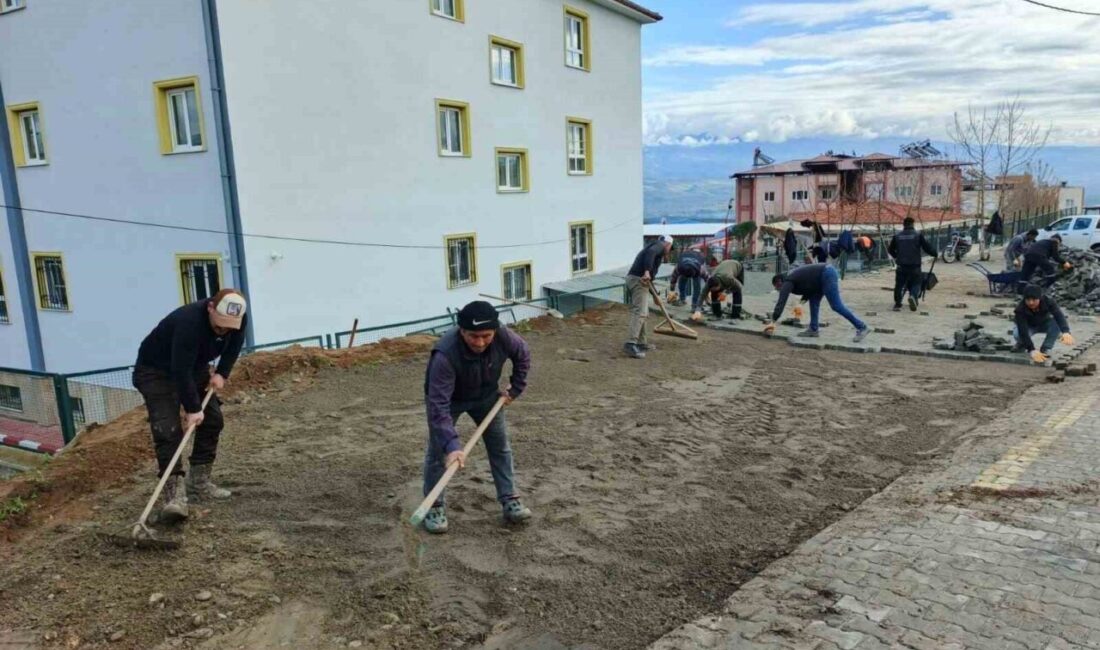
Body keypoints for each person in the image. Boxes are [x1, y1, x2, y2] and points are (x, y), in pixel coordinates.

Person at [132, 288, 248, 523]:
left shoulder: (238, 317)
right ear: (210, 308)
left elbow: (234, 345)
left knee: (213, 419)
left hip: (193, 367)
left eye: (229, 325)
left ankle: (199, 483)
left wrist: (222, 373)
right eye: (219, 325)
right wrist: (193, 409)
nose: (223, 330)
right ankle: (174, 497)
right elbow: (179, 370)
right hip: (155, 371)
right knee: (168, 430)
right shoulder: (189, 322)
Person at [422, 301, 532, 534]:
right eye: (473, 336)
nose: (480, 342)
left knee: (500, 446)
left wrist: (516, 388)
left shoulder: (504, 337)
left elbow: (522, 354)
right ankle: (434, 505)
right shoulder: (445, 354)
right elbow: (438, 406)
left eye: (486, 336)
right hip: (450, 400)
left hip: (487, 397)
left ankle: (509, 497)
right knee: (438, 452)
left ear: (495, 330)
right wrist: (452, 446)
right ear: (462, 331)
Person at [765, 263, 870, 342]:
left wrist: (773, 321)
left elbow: (781, 301)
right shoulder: (792, 279)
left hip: (826, 274)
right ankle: (813, 329)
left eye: (777, 287)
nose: (778, 289)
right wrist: (800, 304)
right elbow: (808, 290)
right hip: (818, 280)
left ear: (779, 282)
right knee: (814, 302)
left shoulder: (787, 281)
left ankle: (862, 327)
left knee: (836, 305)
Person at [624, 235, 673, 359]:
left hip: (639, 280)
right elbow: (651, 254)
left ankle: (641, 343)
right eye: (670, 248)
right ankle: (631, 343)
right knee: (640, 312)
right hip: (639, 279)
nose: (669, 251)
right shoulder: (659, 246)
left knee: (644, 313)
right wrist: (646, 271)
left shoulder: (654, 247)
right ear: (668, 244)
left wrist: (655, 295)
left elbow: (649, 280)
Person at [887, 217, 937, 312]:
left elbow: (890, 249)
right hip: (914, 265)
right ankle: (913, 297)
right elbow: (927, 247)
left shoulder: (897, 236)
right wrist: (934, 253)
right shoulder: (918, 235)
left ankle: (897, 304)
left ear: (904, 224)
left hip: (901, 265)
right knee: (916, 282)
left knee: (899, 285)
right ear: (913, 224)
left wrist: (897, 256)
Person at [1013, 284, 1072, 364]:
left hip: (1044, 323)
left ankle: (1046, 348)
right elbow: (1023, 330)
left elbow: (1059, 316)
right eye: (1028, 300)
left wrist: (1066, 331)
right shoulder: (1020, 309)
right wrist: (1031, 349)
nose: (1031, 303)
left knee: (1056, 323)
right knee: (1018, 334)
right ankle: (1022, 344)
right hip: (1029, 326)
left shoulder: (1049, 301)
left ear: (1039, 298)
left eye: (1034, 300)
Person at [668, 249, 708, 313]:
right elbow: (673, 279)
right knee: (682, 282)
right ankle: (682, 299)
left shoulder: (701, 269)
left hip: (697, 262)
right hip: (685, 263)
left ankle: (695, 305)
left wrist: (708, 293)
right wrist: (671, 291)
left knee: (697, 285)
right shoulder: (679, 267)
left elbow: (708, 280)